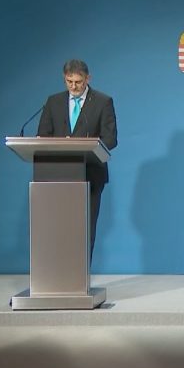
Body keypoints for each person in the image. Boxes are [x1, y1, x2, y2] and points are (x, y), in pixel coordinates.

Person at [37, 59, 118, 265]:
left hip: (91, 174)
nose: (73, 87)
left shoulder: (103, 102)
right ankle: (58, 273)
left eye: (78, 82)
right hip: (57, 176)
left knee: (85, 229)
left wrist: (86, 145)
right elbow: (42, 135)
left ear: (88, 78)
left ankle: (80, 276)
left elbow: (110, 139)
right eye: (69, 82)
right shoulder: (53, 102)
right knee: (58, 228)